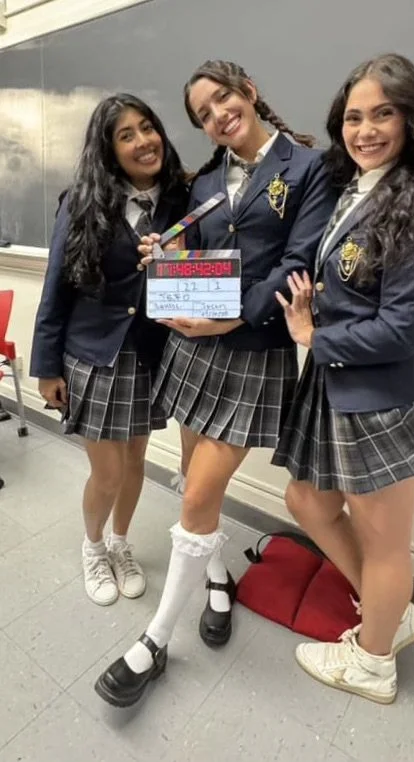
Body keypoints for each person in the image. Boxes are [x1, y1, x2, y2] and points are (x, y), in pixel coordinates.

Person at [94, 59, 336, 707]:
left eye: (223, 99)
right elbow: (197, 255)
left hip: (254, 350)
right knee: (192, 477)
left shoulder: (308, 169)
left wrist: (231, 316)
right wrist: (167, 258)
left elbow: (298, 263)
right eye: (203, 114)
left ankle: (155, 641)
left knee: (199, 492)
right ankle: (219, 576)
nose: (217, 116)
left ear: (249, 92)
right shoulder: (203, 180)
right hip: (192, 348)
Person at [272, 53, 414, 704]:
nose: (364, 130)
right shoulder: (357, 187)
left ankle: (373, 662)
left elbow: (398, 329)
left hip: (382, 396)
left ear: (412, 119)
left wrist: (314, 337)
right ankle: (393, 612)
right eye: (353, 117)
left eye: (382, 114)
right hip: (337, 383)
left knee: (385, 542)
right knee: (307, 501)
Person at [30, 94, 189, 607]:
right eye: (127, 135)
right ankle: (94, 546)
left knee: (136, 460)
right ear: (109, 149)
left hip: (149, 352)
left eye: (148, 127)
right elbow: (56, 287)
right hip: (94, 354)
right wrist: (46, 367)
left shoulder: (180, 199)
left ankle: (121, 543)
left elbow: (192, 271)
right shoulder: (81, 200)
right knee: (108, 471)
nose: (144, 141)